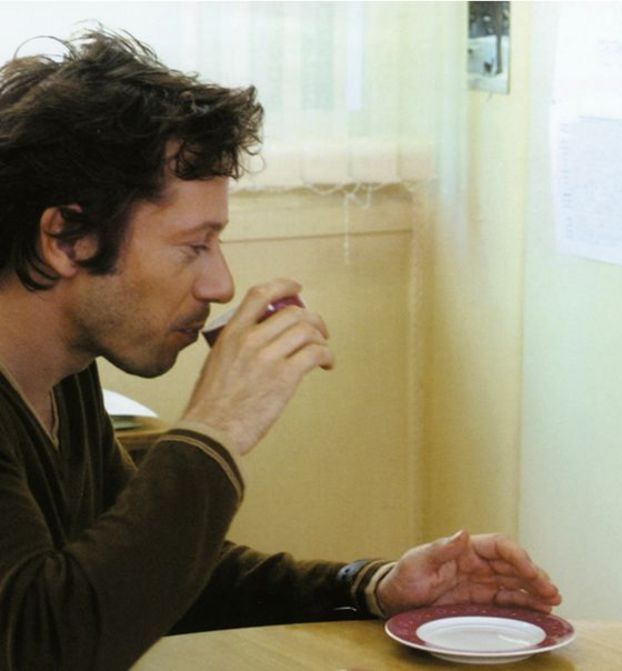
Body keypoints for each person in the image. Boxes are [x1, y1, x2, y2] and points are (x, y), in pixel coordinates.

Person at [0, 28, 560, 671]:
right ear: (66, 238)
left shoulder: (61, 377)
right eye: (193, 246)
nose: (220, 284)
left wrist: (371, 587)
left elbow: (149, 581)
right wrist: (215, 430)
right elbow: (41, 644)